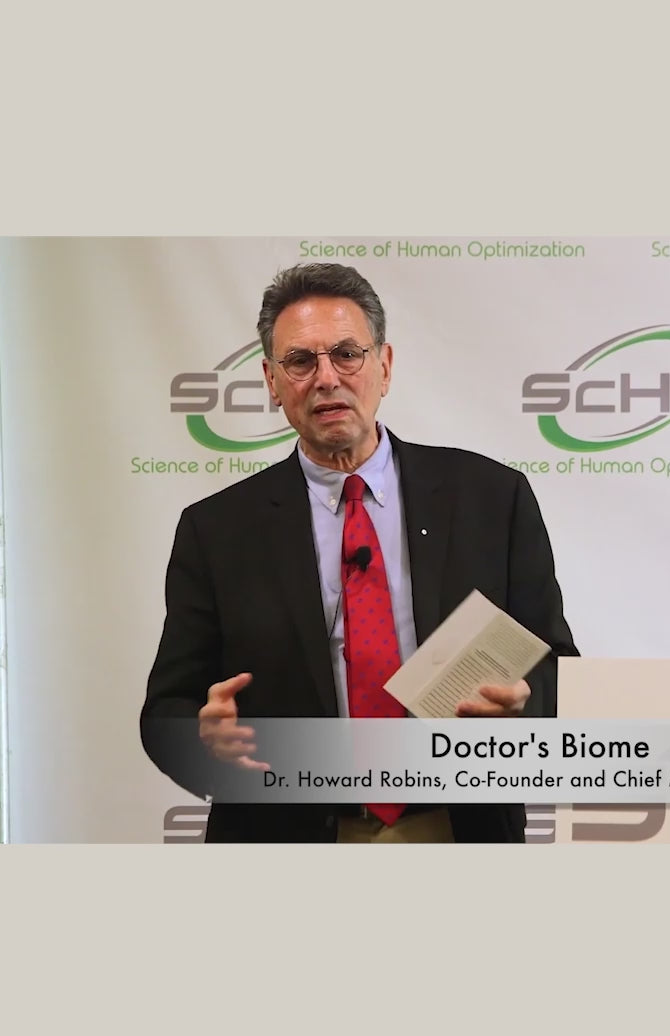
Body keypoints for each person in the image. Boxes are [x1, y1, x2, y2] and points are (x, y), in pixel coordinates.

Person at [140, 262, 578, 843]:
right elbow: (166, 711)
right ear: (272, 381)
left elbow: (556, 668)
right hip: (286, 836)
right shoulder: (216, 530)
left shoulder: (491, 498)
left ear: (385, 366)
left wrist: (524, 703)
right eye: (300, 361)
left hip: (457, 826)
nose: (326, 378)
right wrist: (202, 740)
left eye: (347, 354)